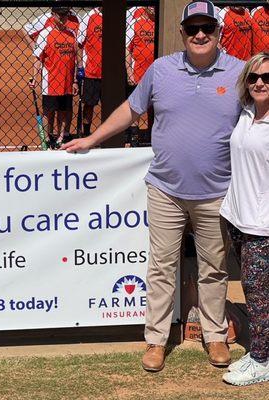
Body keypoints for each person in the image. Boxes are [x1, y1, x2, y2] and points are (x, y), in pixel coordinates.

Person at [62, 0, 245, 372]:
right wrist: (93, 138)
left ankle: (214, 336)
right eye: (192, 28)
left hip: (217, 191)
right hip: (166, 190)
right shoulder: (161, 70)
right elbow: (132, 109)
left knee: (214, 267)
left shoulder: (239, 74)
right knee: (161, 266)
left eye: (206, 28)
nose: (199, 35)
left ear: (218, 33)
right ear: (181, 33)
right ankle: (156, 341)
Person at [220, 52, 269, 386]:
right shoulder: (246, 113)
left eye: (266, 77)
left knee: (256, 291)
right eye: (253, 78)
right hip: (237, 217)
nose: (260, 83)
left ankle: (262, 359)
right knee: (257, 290)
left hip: (262, 224)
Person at [29, 6, 79, 149]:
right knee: (48, 112)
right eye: (60, 15)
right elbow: (38, 58)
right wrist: (34, 77)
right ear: (53, 15)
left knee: (64, 111)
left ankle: (62, 137)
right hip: (50, 81)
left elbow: (74, 59)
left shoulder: (71, 34)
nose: (63, 19)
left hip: (68, 80)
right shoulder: (45, 34)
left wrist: (75, 80)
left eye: (65, 15)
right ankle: (49, 136)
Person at [125, 7, 155, 147]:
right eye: (150, 5)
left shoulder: (161, 23)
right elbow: (127, 49)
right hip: (138, 72)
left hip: (157, 74)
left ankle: (152, 135)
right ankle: (134, 137)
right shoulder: (135, 23)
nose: (153, 8)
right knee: (136, 106)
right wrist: (129, 72)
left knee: (155, 107)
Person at [77, 7, 102, 138]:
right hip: (91, 71)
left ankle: (108, 134)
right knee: (89, 105)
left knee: (113, 105)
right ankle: (86, 133)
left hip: (110, 72)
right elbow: (79, 44)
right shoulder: (88, 17)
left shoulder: (118, 16)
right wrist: (80, 66)